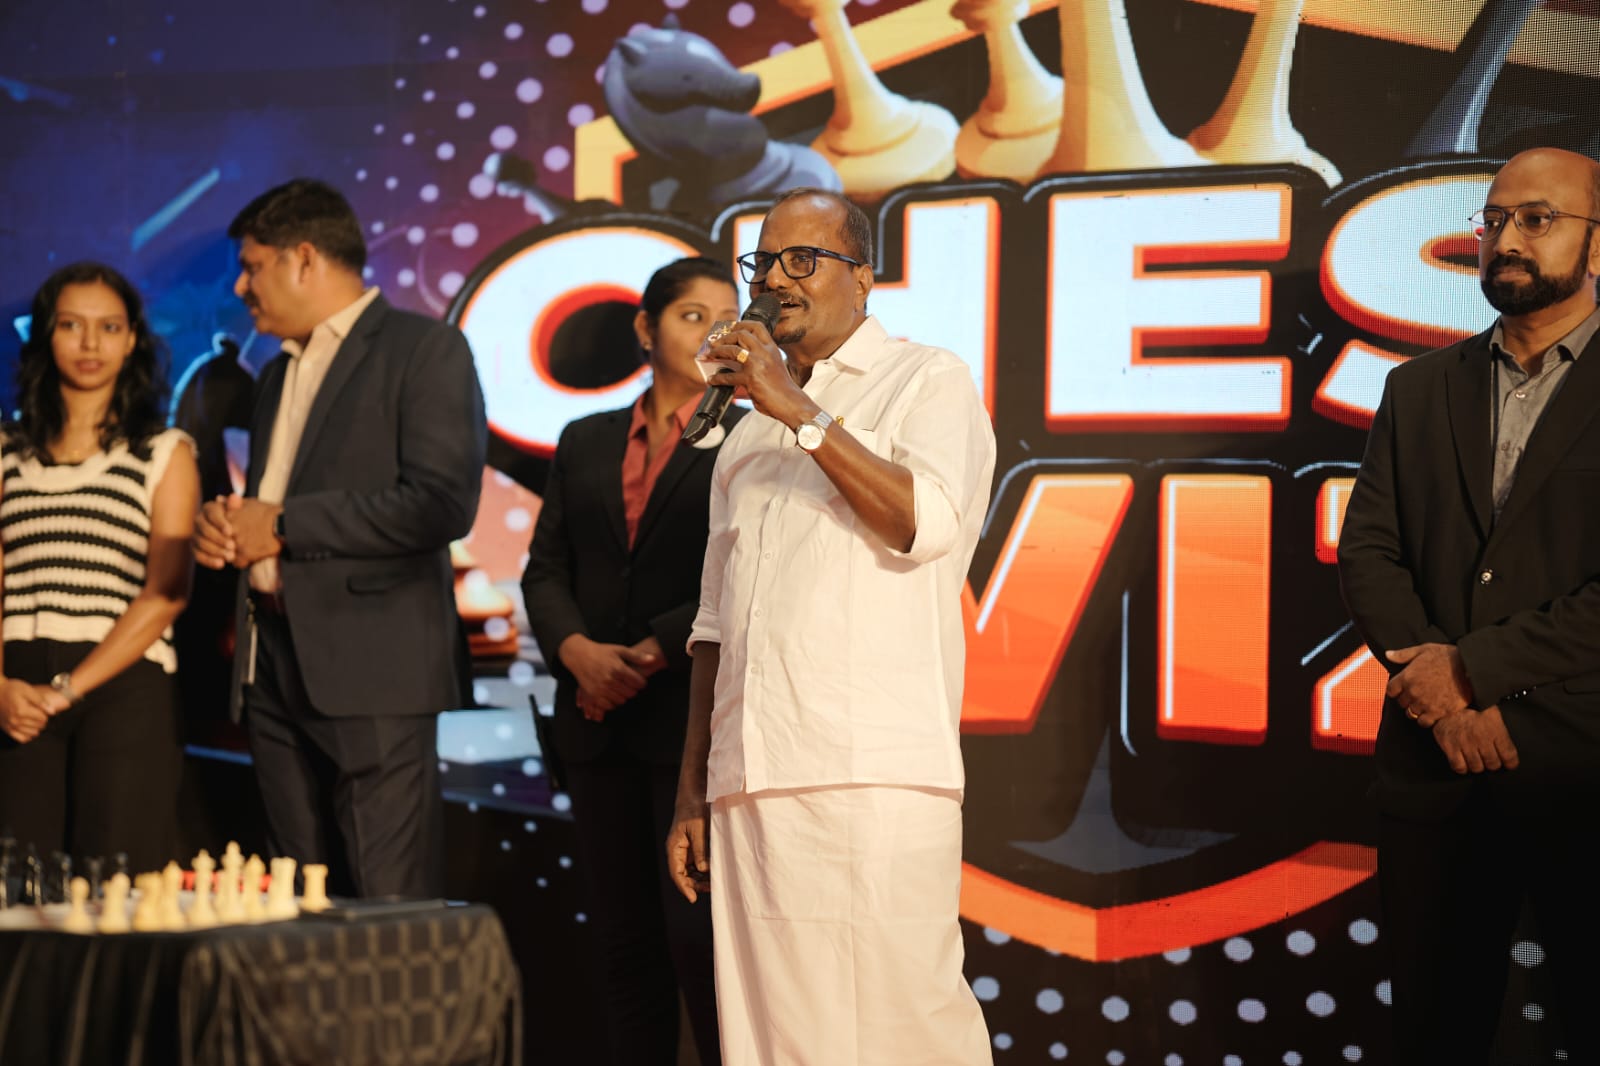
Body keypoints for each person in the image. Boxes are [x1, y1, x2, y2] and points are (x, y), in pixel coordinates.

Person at [664, 189, 996, 1064]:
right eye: (764, 262)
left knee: (904, 1026)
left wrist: (798, 411)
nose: (776, 279)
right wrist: (693, 789)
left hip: (871, 770)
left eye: (802, 260)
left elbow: (923, 523)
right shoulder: (743, 441)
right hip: (750, 779)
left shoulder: (927, 379)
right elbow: (712, 627)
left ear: (864, 277)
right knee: (773, 1037)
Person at [1338, 147, 1600, 1062]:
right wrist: (1446, 704)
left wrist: (1473, 672)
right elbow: (1369, 553)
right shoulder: (1417, 389)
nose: (1506, 240)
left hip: (1583, 773)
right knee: (1434, 1036)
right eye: (1493, 221)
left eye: (1538, 219)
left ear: (1597, 244)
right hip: (1435, 777)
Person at [192, 178, 487, 899]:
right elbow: (272, 508)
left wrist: (280, 525)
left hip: (374, 667)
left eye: (251, 267)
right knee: (295, 899)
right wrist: (227, 528)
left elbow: (441, 505)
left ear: (303, 259)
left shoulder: (426, 349)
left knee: (386, 904)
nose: (240, 287)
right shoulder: (276, 373)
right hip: (270, 661)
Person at [521, 256, 740, 1066]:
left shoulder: (747, 438)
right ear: (646, 329)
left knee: (699, 945)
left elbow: (743, 574)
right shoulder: (586, 439)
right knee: (624, 947)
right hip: (593, 725)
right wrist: (578, 652)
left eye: (728, 318)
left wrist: (647, 652)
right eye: (693, 316)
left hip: (688, 729)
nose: (714, 333)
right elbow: (545, 570)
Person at [0, 261, 199, 874]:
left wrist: (69, 689)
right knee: (21, 881)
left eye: (109, 327)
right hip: (17, 685)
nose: (90, 344)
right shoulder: (6, 451)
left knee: (116, 881)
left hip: (122, 681)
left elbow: (167, 593)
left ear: (132, 339)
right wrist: (1, 688)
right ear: (45, 334)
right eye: (71, 325)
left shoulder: (164, 451)